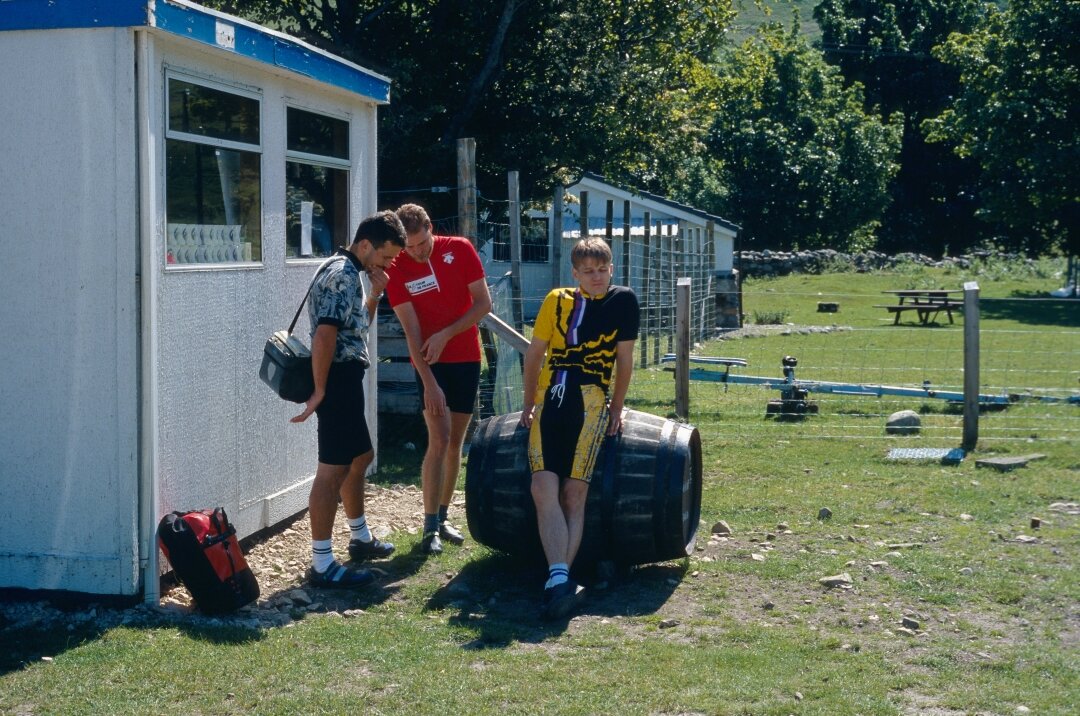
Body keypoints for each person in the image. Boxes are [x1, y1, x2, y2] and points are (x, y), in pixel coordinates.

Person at [520, 237, 639, 619]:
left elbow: (624, 360)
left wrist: (616, 408)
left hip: (591, 401)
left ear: (612, 269)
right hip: (551, 396)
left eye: (602, 269)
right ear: (575, 273)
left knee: (574, 494)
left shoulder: (624, 301)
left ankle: (558, 580)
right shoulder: (556, 300)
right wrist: (528, 402)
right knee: (542, 487)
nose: (596, 277)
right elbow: (535, 354)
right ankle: (560, 581)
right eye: (588, 271)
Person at [291, 210, 406, 588]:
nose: (388, 264)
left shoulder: (351, 272)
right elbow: (325, 336)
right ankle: (322, 564)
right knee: (332, 471)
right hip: (337, 380)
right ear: (366, 244)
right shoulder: (341, 275)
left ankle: (359, 538)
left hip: (345, 377)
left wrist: (376, 294)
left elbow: (356, 328)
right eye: (386, 256)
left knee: (360, 457)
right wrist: (320, 390)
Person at [385, 204, 492, 554]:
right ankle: (429, 525)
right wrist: (429, 382)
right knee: (439, 439)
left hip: (466, 358)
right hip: (430, 363)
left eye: (421, 243)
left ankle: (444, 517)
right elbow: (411, 332)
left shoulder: (459, 249)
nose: (417, 252)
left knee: (455, 441)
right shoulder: (397, 266)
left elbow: (483, 304)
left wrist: (446, 334)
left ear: (430, 227)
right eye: (409, 246)